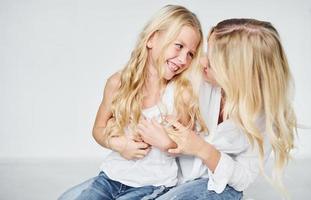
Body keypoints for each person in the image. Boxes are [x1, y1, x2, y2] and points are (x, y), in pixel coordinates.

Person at [59, 5, 207, 200]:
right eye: (179, 46)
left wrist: (166, 142)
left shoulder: (180, 94)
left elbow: (187, 143)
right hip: (110, 177)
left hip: (153, 184)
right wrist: (120, 145)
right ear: (152, 39)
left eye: (190, 54)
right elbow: (98, 129)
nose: (183, 60)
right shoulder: (118, 83)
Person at [138, 18, 297, 199]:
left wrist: (202, 149)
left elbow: (243, 178)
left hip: (213, 187)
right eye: (207, 52)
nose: (202, 62)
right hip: (165, 178)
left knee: (222, 192)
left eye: (213, 63)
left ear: (239, 75)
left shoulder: (267, 117)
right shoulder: (193, 79)